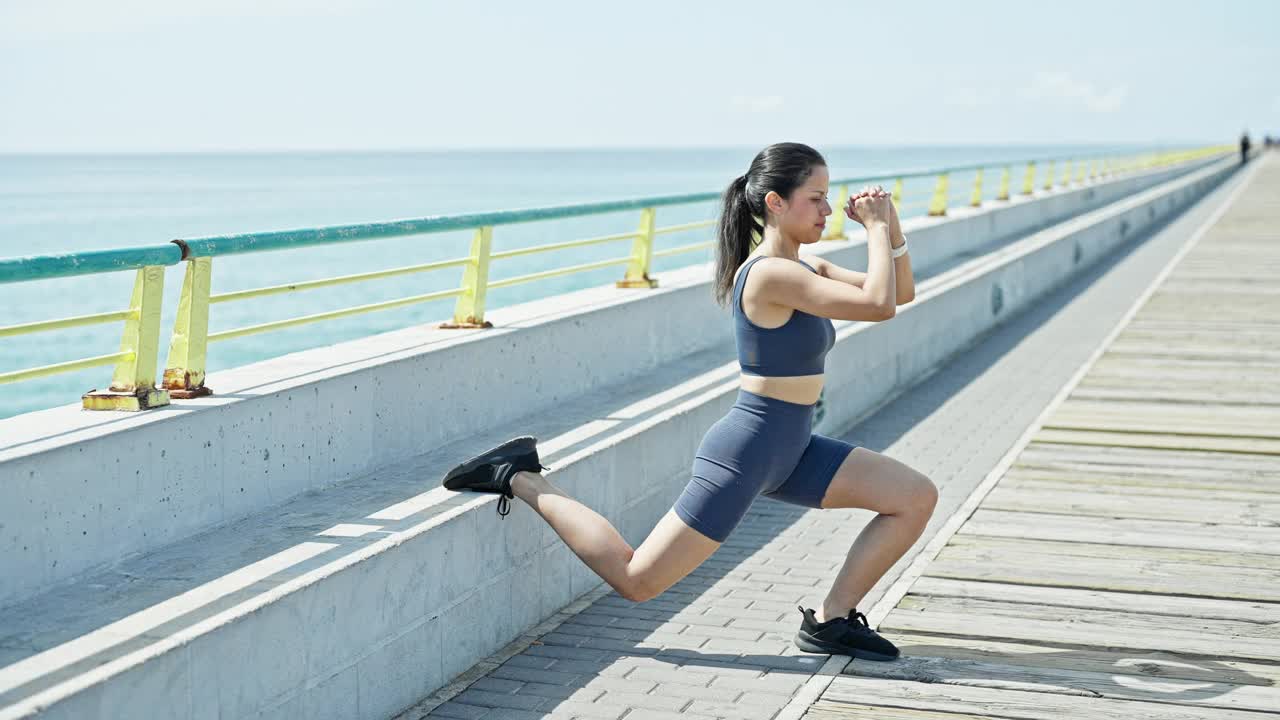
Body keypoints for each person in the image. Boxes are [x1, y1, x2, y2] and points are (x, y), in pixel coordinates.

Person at [442, 142, 938, 661]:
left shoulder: (807, 268)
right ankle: (523, 477)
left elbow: (898, 294)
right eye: (815, 198)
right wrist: (876, 229)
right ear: (775, 202)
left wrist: (892, 227)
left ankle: (832, 621)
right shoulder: (770, 274)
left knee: (913, 498)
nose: (828, 210)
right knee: (637, 579)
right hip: (748, 451)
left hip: (792, 447)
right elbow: (878, 306)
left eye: (828, 197)